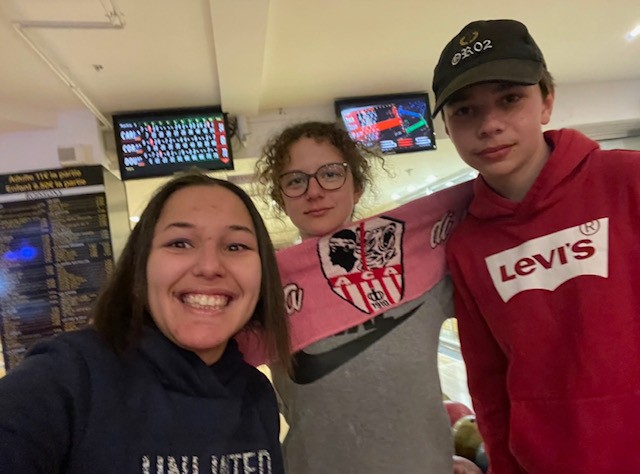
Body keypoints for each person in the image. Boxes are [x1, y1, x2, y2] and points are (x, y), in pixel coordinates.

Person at [433, 19, 640, 473]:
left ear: (546, 100)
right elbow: (488, 384)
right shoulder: (468, 244)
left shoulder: (628, 181)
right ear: (447, 127)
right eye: (465, 111)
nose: (490, 125)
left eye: (510, 99)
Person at [0, 171, 291, 473]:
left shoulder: (256, 395)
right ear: (142, 265)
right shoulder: (69, 377)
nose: (209, 266)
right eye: (180, 243)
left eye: (235, 246)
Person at [256, 121, 478, 473]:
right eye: (295, 180)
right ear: (281, 198)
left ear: (356, 186)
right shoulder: (261, 290)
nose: (314, 191)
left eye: (330, 174)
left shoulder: (417, 264)